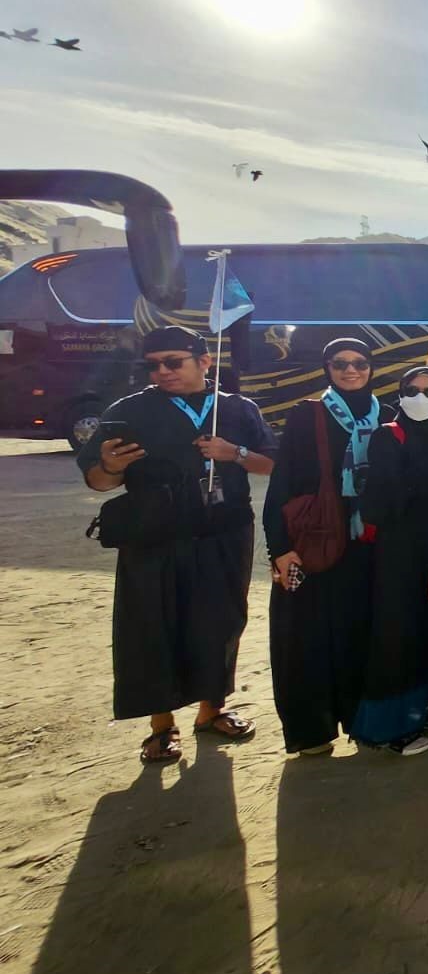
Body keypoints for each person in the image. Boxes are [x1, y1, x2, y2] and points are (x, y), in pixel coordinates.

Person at [79, 325, 275, 764]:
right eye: (153, 365)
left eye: (173, 362)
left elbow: (274, 464)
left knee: (220, 623)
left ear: (205, 362)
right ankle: (161, 726)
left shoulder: (237, 409)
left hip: (224, 532)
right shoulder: (128, 411)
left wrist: (235, 454)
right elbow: (97, 481)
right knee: (152, 626)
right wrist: (110, 466)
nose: (163, 372)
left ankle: (212, 710)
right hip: (153, 536)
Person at [263, 338, 385, 756]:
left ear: (371, 368)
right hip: (312, 543)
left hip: (365, 545)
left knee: (358, 635)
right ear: (326, 368)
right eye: (340, 363)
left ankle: (360, 720)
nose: (351, 370)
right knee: (304, 636)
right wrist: (280, 549)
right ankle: (311, 731)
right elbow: (281, 483)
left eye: (360, 363)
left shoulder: (384, 415)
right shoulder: (308, 414)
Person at [352, 366, 428, 756]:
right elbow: (385, 498)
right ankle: (391, 728)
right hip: (398, 551)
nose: (420, 397)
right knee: (397, 634)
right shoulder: (388, 435)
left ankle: (422, 708)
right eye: (412, 390)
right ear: (399, 394)